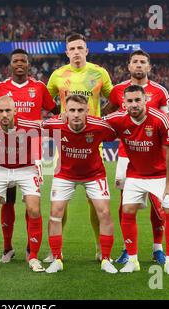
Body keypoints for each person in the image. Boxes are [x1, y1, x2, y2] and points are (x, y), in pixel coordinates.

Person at [46, 33, 113, 262]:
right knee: (59, 203)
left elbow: (112, 98)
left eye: (80, 48)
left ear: (87, 50)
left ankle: (98, 245)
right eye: (72, 48)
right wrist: (60, 117)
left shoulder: (99, 73)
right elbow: (46, 103)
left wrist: (101, 119)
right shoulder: (57, 75)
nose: (76, 51)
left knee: (95, 202)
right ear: (67, 52)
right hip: (65, 143)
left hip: (94, 141)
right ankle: (57, 250)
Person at [104, 85, 169, 276]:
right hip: (136, 173)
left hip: (163, 175)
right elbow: (96, 125)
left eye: (138, 100)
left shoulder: (160, 119)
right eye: (129, 101)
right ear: (123, 103)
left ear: (145, 100)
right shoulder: (117, 119)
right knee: (127, 210)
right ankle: (132, 260)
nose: (134, 104)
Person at [105, 50, 169, 265]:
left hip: (155, 157)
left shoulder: (160, 91)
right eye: (135, 62)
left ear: (149, 67)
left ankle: (157, 248)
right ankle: (127, 248)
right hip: (127, 154)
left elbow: (168, 122)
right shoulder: (117, 91)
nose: (139, 65)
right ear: (129, 66)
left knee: (157, 203)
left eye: (143, 62)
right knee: (126, 202)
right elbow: (107, 117)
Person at [0, 49, 55, 263]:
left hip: (31, 154)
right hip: (4, 153)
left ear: (29, 64)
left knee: (31, 203)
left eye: (23, 61)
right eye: (15, 60)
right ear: (10, 64)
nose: (19, 64)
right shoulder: (0, 88)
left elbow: (54, 110)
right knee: (7, 202)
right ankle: (7, 248)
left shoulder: (39, 87)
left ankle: (30, 248)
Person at [42, 95, 117, 274]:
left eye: (80, 110)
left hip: (94, 174)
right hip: (65, 174)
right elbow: (34, 127)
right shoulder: (54, 124)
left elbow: (119, 132)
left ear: (87, 111)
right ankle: (56, 258)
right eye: (72, 110)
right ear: (65, 112)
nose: (76, 114)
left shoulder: (99, 126)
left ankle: (105, 258)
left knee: (105, 213)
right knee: (55, 213)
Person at [0, 96, 45, 273]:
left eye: (8, 111)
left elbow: (52, 126)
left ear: (16, 111)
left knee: (34, 209)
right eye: (1, 111)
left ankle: (34, 257)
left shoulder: (30, 126)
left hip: (26, 168)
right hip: (0, 168)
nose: (5, 114)